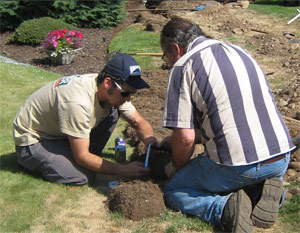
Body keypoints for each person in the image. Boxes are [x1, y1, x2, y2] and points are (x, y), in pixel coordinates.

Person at [159, 18, 294, 233]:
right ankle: (263, 190)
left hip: (237, 167)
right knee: (249, 171)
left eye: (166, 56)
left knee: (176, 189)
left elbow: (184, 138)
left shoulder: (184, 65)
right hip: (280, 158)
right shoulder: (239, 51)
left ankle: (223, 208)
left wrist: (175, 167)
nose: (168, 62)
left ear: (174, 48)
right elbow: (232, 119)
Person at [13, 53, 157, 186]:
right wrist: (121, 170)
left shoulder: (107, 89)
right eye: (125, 93)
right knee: (83, 175)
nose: (128, 99)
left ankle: (77, 152)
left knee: (113, 111)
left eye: (132, 93)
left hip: (59, 130)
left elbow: (138, 121)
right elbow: (81, 156)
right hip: (34, 139)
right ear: (107, 83)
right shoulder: (78, 102)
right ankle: (29, 160)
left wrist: (150, 141)